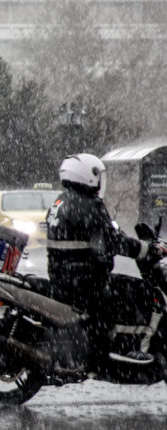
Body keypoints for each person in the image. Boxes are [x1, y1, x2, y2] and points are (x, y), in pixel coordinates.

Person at [45, 153, 163, 365]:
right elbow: (113, 241)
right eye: (98, 175)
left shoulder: (61, 201)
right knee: (141, 292)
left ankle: (105, 346)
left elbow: (97, 238)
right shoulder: (89, 205)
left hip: (65, 277)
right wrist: (146, 249)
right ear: (86, 175)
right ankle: (130, 349)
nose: (100, 181)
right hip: (86, 281)